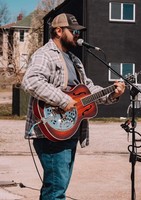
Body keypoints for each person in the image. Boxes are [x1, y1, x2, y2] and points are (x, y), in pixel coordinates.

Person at [22, 13, 125, 200]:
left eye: (78, 31)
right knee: (56, 189)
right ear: (59, 31)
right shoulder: (45, 54)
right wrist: (63, 100)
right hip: (50, 131)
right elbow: (31, 81)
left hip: (69, 129)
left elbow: (89, 90)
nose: (78, 35)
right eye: (74, 31)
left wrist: (113, 93)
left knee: (58, 186)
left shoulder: (74, 61)